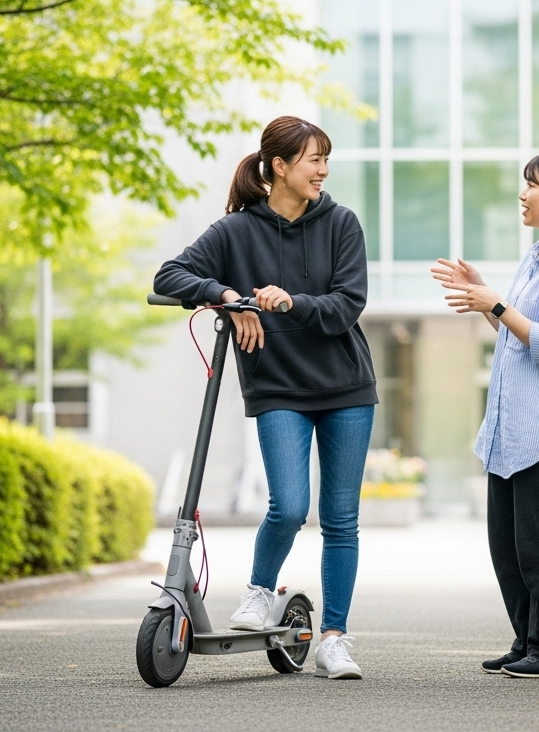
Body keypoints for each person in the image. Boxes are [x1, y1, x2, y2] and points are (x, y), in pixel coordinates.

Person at [153, 116, 375, 680]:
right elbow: (170, 274)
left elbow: (347, 305)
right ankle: (257, 592)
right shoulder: (236, 232)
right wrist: (229, 297)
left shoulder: (341, 224)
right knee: (290, 505)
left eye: (326, 160)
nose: (323, 170)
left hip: (346, 386)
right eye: (313, 160)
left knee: (340, 518)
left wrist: (288, 303)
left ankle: (333, 639)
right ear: (279, 166)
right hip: (277, 386)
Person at [431, 150, 539, 678]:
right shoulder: (536, 258)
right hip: (511, 430)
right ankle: (528, 640)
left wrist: (497, 304)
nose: (523, 193)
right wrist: (487, 302)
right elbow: (517, 339)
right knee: (507, 548)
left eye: (532, 184)